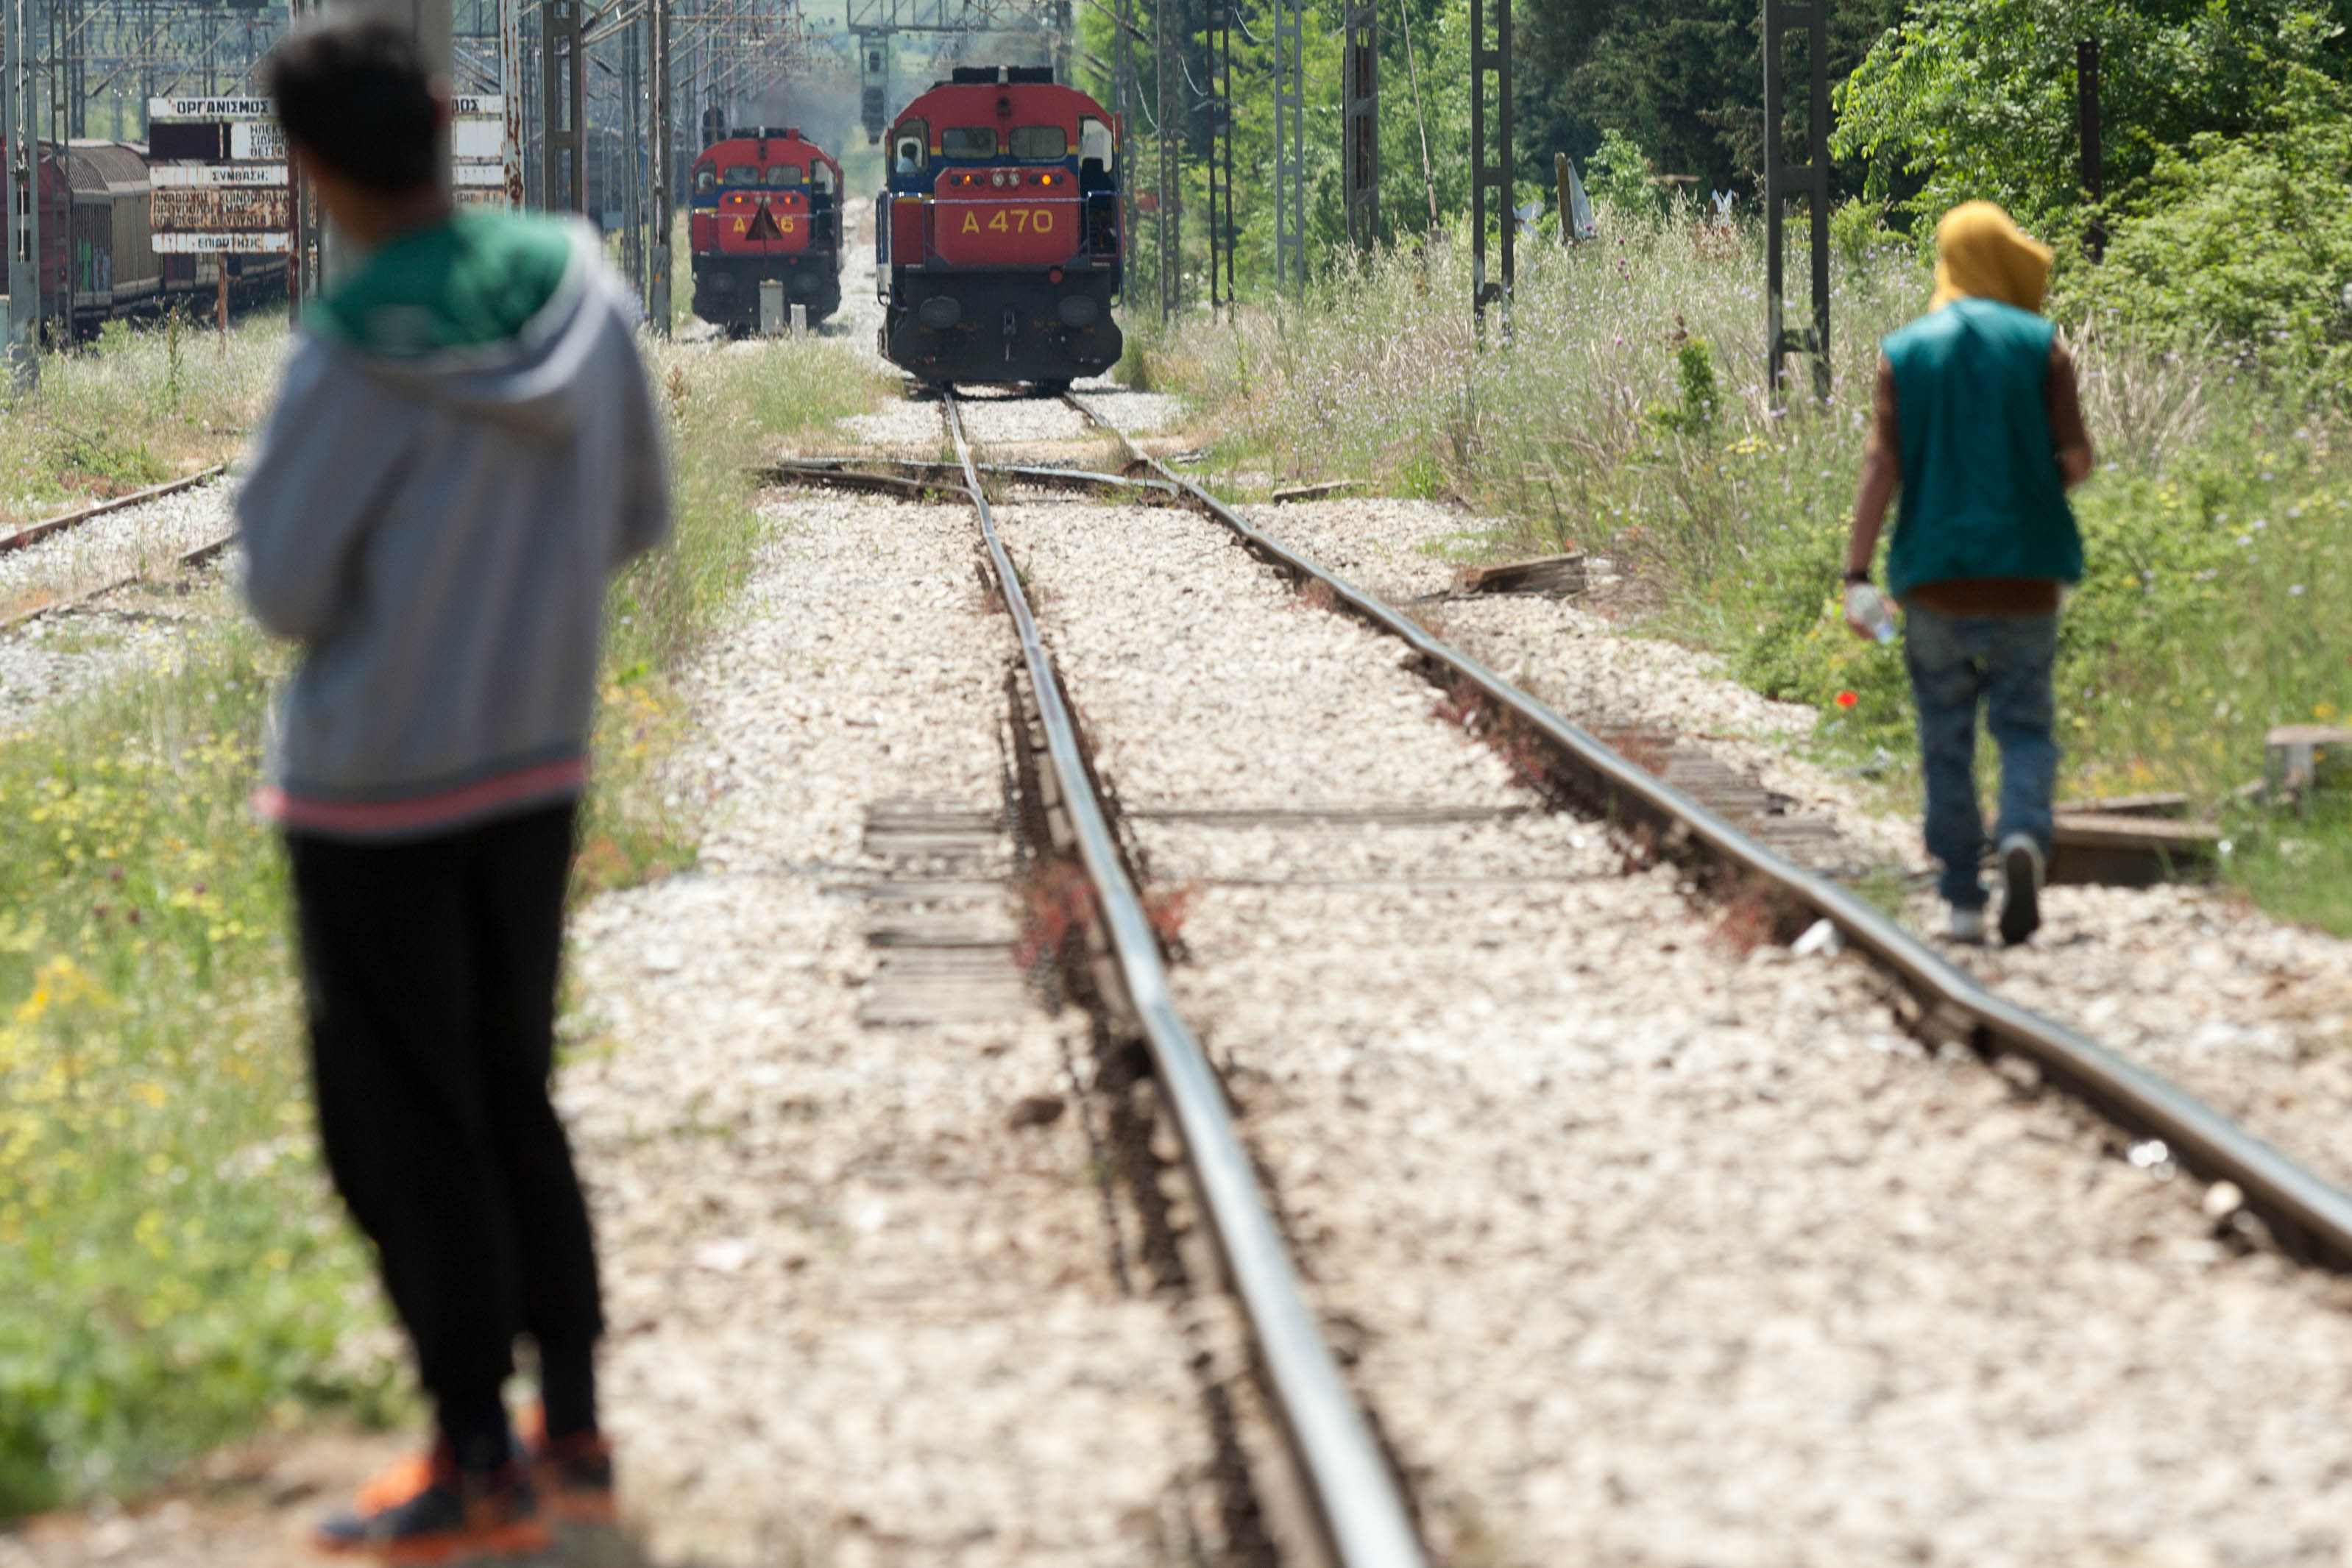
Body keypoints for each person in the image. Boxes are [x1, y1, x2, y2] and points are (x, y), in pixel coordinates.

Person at [239, 17, 669, 1560]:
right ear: (438, 113)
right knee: (510, 1087)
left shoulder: (350, 345)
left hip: (368, 796)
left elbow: (284, 593)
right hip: (534, 761)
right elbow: (636, 513)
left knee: (396, 1121)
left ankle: (469, 1456)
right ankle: (573, 1426)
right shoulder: (582, 284)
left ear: (308, 167)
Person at [1843, 201, 2094, 947]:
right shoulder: (2040, 344)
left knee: (1944, 734)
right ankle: (2020, 836)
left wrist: (1856, 571)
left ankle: (1959, 896)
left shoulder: (1905, 350)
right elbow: (2076, 462)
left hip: (1934, 579)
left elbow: (1882, 465)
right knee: (2024, 725)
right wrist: (2023, 487)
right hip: (2027, 576)